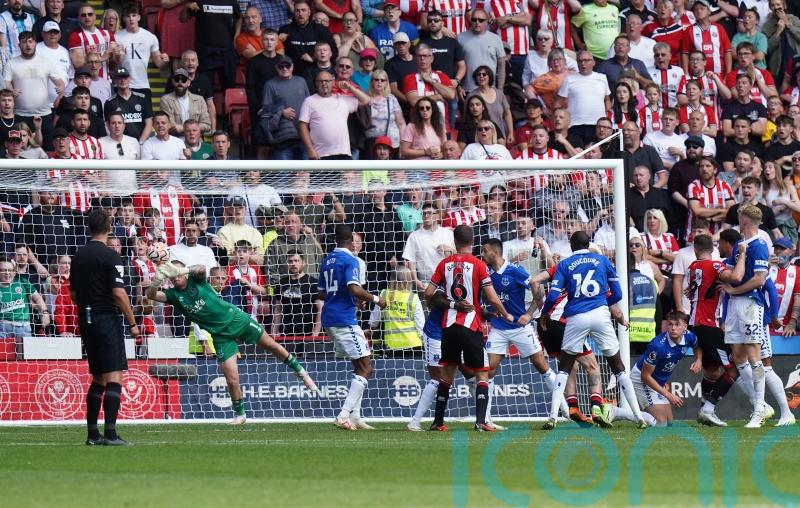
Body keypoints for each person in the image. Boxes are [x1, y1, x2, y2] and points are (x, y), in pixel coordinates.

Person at [147, 260, 316, 424]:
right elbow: (151, 295)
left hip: (237, 319)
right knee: (232, 378)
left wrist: (182, 270)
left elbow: (200, 269)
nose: (176, 277)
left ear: (183, 274)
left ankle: (301, 372)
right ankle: (240, 414)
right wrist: (156, 280)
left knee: (271, 345)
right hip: (220, 336)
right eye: (172, 275)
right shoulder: (173, 295)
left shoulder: (195, 280)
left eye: (178, 273)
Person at [539, 230, 645, 429]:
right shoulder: (602, 261)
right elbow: (618, 293)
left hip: (576, 317)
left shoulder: (564, 264)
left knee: (564, 367)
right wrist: (603, 303)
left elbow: (552, 297)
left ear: (571, 246)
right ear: (588, 244)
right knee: (618, 367)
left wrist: (544, 314)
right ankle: (639, 417)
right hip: (600, 315)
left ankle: (553, 417)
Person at [424, 224, 512, 432]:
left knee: (447, 375)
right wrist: (504, 312)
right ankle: (481, 421)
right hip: (471, 326)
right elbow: (491, 297)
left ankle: (438, 422)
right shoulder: (478, 264)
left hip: (449, 326)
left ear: (455, 242)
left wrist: (452, 304)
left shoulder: (444, 263)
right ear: (472, 242)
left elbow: (428, 292)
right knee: (482, 373)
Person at [70, 208, 140, 446]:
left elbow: (73, 294)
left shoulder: (78, 256)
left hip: (86, 320)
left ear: (89, 228)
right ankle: (110, 433)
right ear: (109, 227)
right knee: (114, 376)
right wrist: (132, 323)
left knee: (98, 377)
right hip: (106, 318)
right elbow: (119, 293)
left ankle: (92, 435)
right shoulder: (111, 256)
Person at [481, 238, 565, 429]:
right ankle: (485, 418)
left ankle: (565, 410)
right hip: (499, 329)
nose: (482, 255)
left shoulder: (515, 271)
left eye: (484, 252)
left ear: (493, 251)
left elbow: (539, 290)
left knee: (542, 366)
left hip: (520, 328)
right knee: (489, 370)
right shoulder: (486, 273)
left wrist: (529, 314)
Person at [319, 224, 387, 430]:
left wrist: (353, 298)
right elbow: (354, 287)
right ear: (351, 241)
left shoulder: (327, 260)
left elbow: (322, 293)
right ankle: (343, 415)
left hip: (329, 318)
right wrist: (376, 299)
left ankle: (355, 416)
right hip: (344, 319)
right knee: (367, 368)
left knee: (358, 367)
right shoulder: (352, 260)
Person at [718, 204, 770, 428]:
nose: (736, 220)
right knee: (737, 357)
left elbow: (759, 279)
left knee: (752, 354)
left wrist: (734, 290)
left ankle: (759, 409)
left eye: (738, 216)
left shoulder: (759, 245)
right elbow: (731, 274)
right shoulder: (740, 244)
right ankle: (760, 404)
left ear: (745, 220)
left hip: (750, 304)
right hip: (734, 307)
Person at [686, 233, 744, 427]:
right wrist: (742, 254)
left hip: (694, 325)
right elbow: (735, 276)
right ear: (712, 249)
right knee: (734, 368)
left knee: (711, 371)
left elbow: (692, 290)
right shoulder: (715, 265)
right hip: (708, 325)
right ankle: (708, 409)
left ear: (695, 250)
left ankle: (704, 407)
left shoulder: (692, 267)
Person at [610, 311, 701, 426]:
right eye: (670, 324)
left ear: (685, 326)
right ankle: (618, 412)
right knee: (660, 423)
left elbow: (697, 347)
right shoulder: (658, 346)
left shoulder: (689, 336)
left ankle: (621, 412)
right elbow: (645, 376)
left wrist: (698, 360)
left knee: (669, 423)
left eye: (677, 324)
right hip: (642, 379)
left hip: (657, 380)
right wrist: (669, 395)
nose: (673, 328)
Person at [555, 50, 611, 142]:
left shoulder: (602, 78)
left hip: (597, 126)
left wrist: (607, 119)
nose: (583, 64)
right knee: (576, 153)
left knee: (595, 154)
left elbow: (607, 100)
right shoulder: (569, 79)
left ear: (593, 62)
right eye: (580, 61)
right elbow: (558, 102)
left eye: (586, 60)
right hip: (574, 125)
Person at [402, 201, 455, 291]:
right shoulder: (414, 236)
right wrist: (416, 280)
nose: (426, 216)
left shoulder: (448, 233)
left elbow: (459, 255)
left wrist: (449, 249)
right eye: (424, 213)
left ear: (437, 216)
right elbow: (410, 260)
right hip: (426, 283)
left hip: (448, 280)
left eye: (429, 213)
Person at [272, 250, 322, 337]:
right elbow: (278, 309)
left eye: (296, 261)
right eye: (290, 261)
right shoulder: (281, 283)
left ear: (303, 263)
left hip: (308, 333)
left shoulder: (313, 282)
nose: (293, 264)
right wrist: (274, 331)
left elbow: (321, 309)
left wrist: (315, 333)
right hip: (288, 333)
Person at [456, 8, 505, 92]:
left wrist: (500, 90)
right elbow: (455, 65)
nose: (477, 22)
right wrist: (458, 86)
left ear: (486, 21)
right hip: (467, 89)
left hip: (490, 89)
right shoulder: (460, 38)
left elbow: (501, 67)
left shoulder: (496, 39)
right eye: (474, 19)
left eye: (481, 20)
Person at [159, 68, 212, 136]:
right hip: (175, 141)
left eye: (183, 80)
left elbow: (207, 125)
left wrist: (183, 128)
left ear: (188, 82)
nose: (180, 82)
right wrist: (195, 128)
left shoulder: (200, 100)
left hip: (196, 141)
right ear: (173, 82)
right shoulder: (165, 99)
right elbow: (169, 125)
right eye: (177, 79)